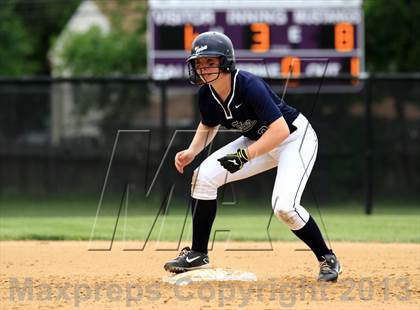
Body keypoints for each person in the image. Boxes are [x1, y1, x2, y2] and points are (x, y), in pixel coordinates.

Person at [163, 32, 341, 282]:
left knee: (284, 208)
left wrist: (244, 156)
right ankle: (197, 253)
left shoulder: (248, 84)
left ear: (226, 62)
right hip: (259, 141)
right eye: (199, 63)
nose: (203, 68)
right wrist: (192, 151)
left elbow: (279, 130)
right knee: (202, 177)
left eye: (210, 62)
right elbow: (208, 124)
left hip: (294, 139)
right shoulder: (207, 94)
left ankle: (327, 258)